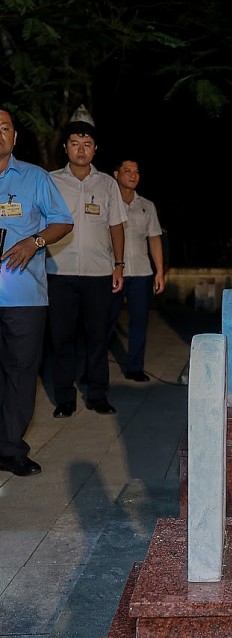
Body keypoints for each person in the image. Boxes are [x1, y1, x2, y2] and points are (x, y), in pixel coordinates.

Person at [0, 107, 73, 476]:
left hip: (23, 295)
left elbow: (63, 220)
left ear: (15, 136)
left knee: (20, 371)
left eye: (4, 127)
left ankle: (11, 449)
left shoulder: (34, 177)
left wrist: (35, 241)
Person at [48, 120, 128, 417]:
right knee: (61, 337)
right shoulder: (51, 180)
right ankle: (64, 398)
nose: (80, 150)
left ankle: (97, 394)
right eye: (74, 144)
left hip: (98, 272)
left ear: (95, 150)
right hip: (59, 270)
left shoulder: (107, 183)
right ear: (66, 147)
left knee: (97, 336)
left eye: (87, 145)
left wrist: (119, 265)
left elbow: (116, 225)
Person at [108, 159, 164, 382]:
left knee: (139, 321)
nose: (132, 175)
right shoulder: (108, 202)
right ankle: (93, 369)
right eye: (127, 171)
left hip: (141, 272)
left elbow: (155, 239)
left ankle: (135, 367)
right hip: (112, 272)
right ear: (116, 174)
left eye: (136, 172)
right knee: (105, 321)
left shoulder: (146, 205)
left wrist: (159, 270)